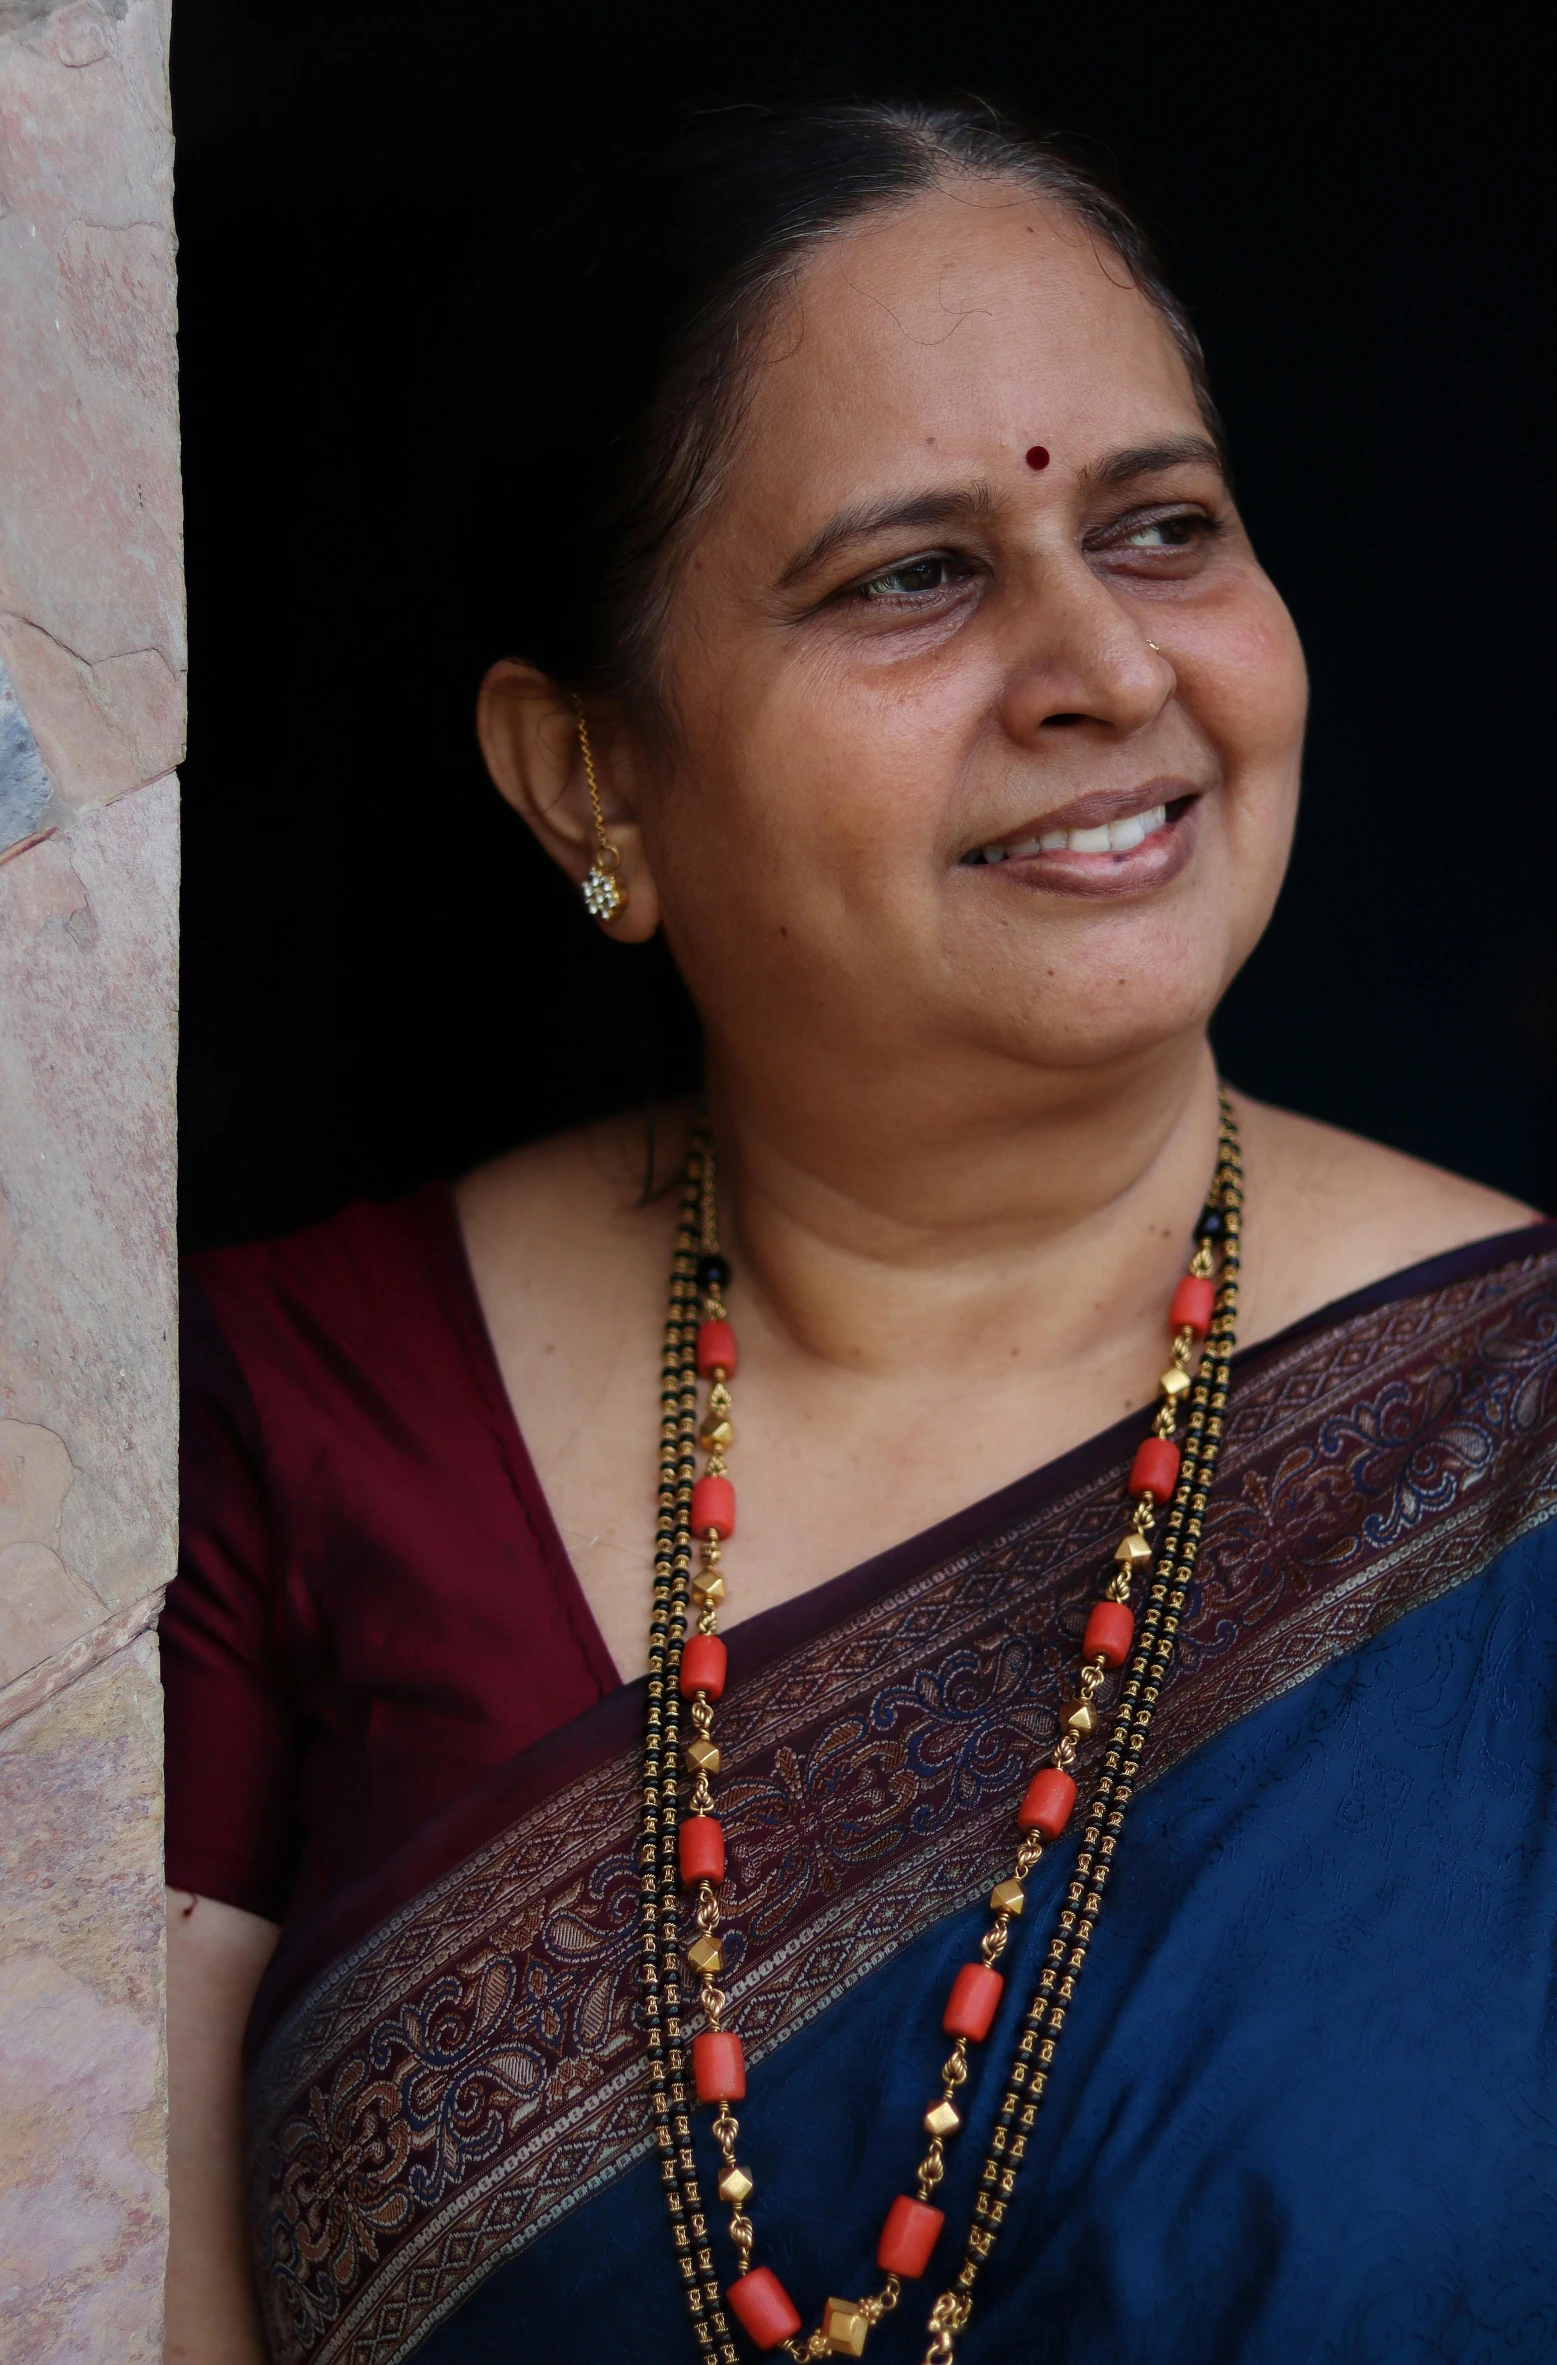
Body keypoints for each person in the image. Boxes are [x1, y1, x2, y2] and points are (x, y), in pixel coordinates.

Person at [161, 100, 1557, 2365]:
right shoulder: (280, 1428)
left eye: (1167, 528)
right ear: (587, 779)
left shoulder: (1517, 1441)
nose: (1104, 665)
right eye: (911, 574)